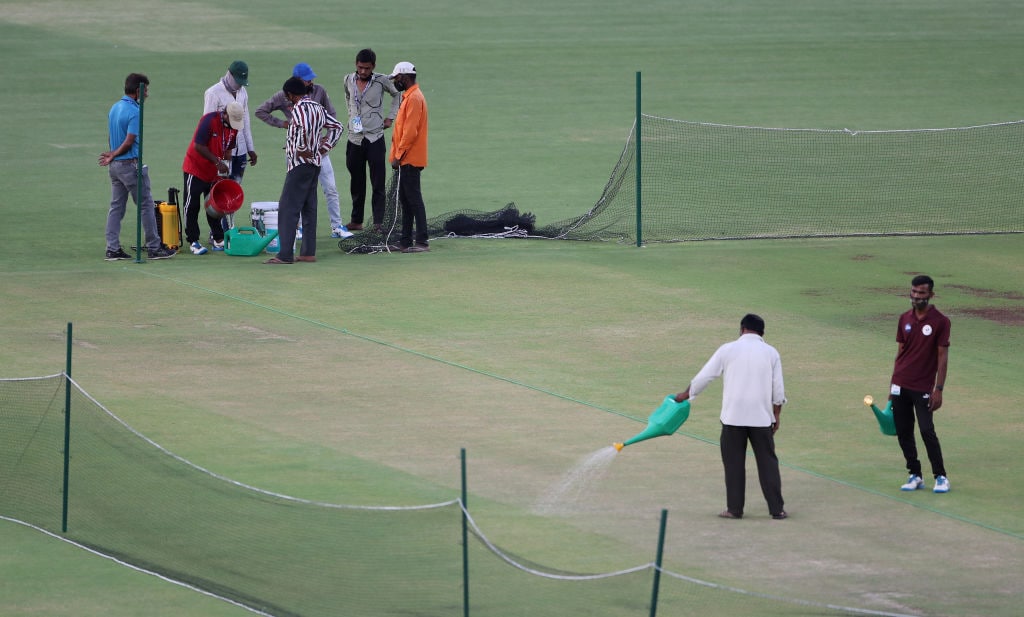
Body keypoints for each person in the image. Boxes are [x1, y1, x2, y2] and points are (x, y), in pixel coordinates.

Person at [673, 314, 788, 520]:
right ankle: (777, 509)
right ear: (762, 333)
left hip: (733, 417)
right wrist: (776, 415)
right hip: (761, 418)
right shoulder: (771, 353)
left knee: (734, 464)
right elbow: (778, 390)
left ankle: (734, 509)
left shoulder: (727, 349)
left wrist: (685, 395)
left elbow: (705, 376)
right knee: (768, 464)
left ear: (742, 329)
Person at [255, 63, 351, 239]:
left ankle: (337, 226)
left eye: (311, 78)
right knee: (298, 192)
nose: (311, 82)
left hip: (318, 151)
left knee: (330, 188)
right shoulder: (283, 95)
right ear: (297, 80)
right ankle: (298, 228)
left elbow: (332, 116)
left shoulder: (320, 91)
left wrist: (326, 140)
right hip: (296, 155)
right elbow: (261, 111)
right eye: (307, 79)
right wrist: (283, 124)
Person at [264, 78, 344, 265]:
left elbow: (305, 128)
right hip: (315, 164)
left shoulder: (299, 109)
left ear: (291, 94)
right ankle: (308, 253)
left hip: (299, 165)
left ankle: (284, 255)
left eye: (287, 96)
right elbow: (338, 127)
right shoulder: (318, 107)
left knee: (288, 208)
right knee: (309, 209)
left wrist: (302, 148)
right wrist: (324, 148)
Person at [98, 73, 176, 261]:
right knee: (146, 205)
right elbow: (129, 140)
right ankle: (154, 247)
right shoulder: (134, 111)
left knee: (116, 207)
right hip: (129, 165)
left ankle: (112, 249)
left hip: (115, 167)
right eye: (145, 90)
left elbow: (112, 136)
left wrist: (112, 154)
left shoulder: (115, 107)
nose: (147, 94)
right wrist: (115, 153)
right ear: (137, 91)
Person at [890, 274, 951, 494]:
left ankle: (941, 477)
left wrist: (939, 389)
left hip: (923, 387)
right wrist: (892, 385)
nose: (916, 296)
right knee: (904, 431)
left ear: (931, 295)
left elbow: (942, 357)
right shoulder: (904, 318)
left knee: (926, 430)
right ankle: (915, 474)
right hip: (900, 383)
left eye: (921, 293)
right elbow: (900, 353)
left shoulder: (941, 322)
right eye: (914, 292)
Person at [343, 48, 402, 232]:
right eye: (360, 67)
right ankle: (356, 220)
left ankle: (378, 222)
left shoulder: (381, 80)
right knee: (356, 181)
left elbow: (397, 94)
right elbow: (348, 97)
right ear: (356, 64)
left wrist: (390, 117)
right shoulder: (348, 80)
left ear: (373, 67)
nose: (363, 71)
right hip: (354, 138)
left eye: (367, 68)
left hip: (375, 137)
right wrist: (351, 115)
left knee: (378, 182)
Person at [181, 102, 245, 255]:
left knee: (215, 205)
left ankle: (218, 238)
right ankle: (193, 241)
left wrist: (226, 169)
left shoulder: (233, 127)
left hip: (215, 172)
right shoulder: (209, 120)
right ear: (225, 114)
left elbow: (228, 149)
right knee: (192, 204)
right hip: (196, 168)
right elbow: (198, 146)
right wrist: (217, 162)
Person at [389, 61, 430, 252]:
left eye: (396, 78)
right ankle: (405, 241)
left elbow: (410, 132)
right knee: (406, 201)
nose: (395, 81)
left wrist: (398, 156)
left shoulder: (413, 98)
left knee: (414, 200)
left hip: (409, 158)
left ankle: (422, 242)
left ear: (404, 77)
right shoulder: (410, 96)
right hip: (407, 158)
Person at [204, 61, 257, 183]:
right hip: (222, 152)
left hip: (241, 151)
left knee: (235, 188)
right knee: (220, 186)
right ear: (229, 74)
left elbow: (245, 122)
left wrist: (250, 148)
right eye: (238, 81)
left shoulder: (243, 92)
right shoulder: (213, 93)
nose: (239, 86)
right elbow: (207, 125)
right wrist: (214, 157)